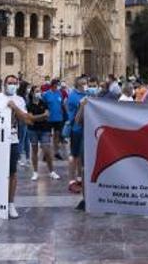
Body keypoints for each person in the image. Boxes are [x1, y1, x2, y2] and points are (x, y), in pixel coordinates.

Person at [0, 75, 35, 218]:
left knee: (12, 172)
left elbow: (26, 120)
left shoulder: (19, 100)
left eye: (15, 83)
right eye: (10, 83)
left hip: (12, 139)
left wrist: (15, 108)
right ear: (4, 84)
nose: (12, 85)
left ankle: (10, 204)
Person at [66, 77, 90, 209]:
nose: (84, 86)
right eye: (82, 84)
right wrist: (81, 106)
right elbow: (75, 118)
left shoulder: (88, 94)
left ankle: (80, 179)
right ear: (77, 85)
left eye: (85, 84)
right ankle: (71, 180)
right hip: (76, 130)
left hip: (87, 130)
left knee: (82, 157)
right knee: (74, 156)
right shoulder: (73, 97)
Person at [26, 88, 59, 181]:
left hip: (45, 129)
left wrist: (36, 118)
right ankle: (35, 172)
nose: (38, 93)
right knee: (34, 150)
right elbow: (30, 118)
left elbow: (47, 115)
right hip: (33, 130)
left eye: (39, 91)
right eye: (36, 91)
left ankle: (52, 171)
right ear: (32, 93)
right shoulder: (28, 105)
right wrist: (42, 116)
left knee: (47, 150)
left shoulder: (44, 103)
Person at [43, 79, 66, 160]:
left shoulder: (59, 93)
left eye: (58, 85)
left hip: (58, 118)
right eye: (56, 85)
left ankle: (56, 152)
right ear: (52, 85)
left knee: (56, 136)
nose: (57, 86)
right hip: (49, 119)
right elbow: (43, 105)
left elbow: (62, 104)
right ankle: (46, 154)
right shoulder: (46, 94)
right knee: (47, 137)